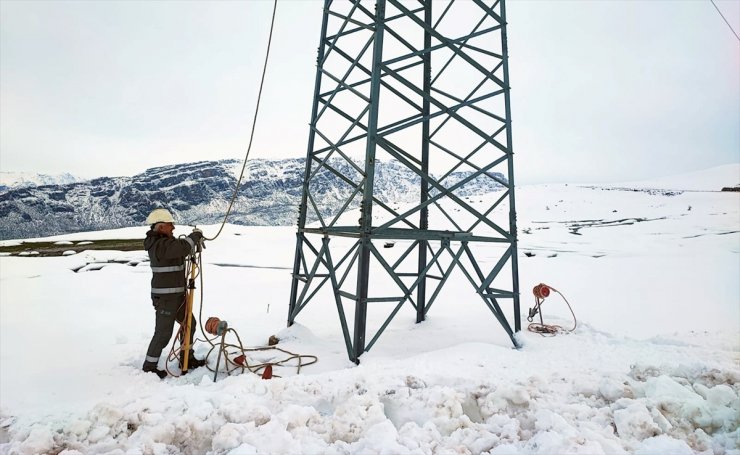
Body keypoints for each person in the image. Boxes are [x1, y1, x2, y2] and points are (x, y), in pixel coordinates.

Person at [141, 208, 206, 379]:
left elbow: (181, 250)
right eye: (170, 225)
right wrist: (193, 238)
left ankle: (187, 358)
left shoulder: (167, 243)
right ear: (161, 227)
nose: (173, 229)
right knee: (163, 333)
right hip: (165, 298)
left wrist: (194, 245)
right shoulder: (158, 245)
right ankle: (149, 366)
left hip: (177, 296)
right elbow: (181, 248)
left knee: (189, 324)